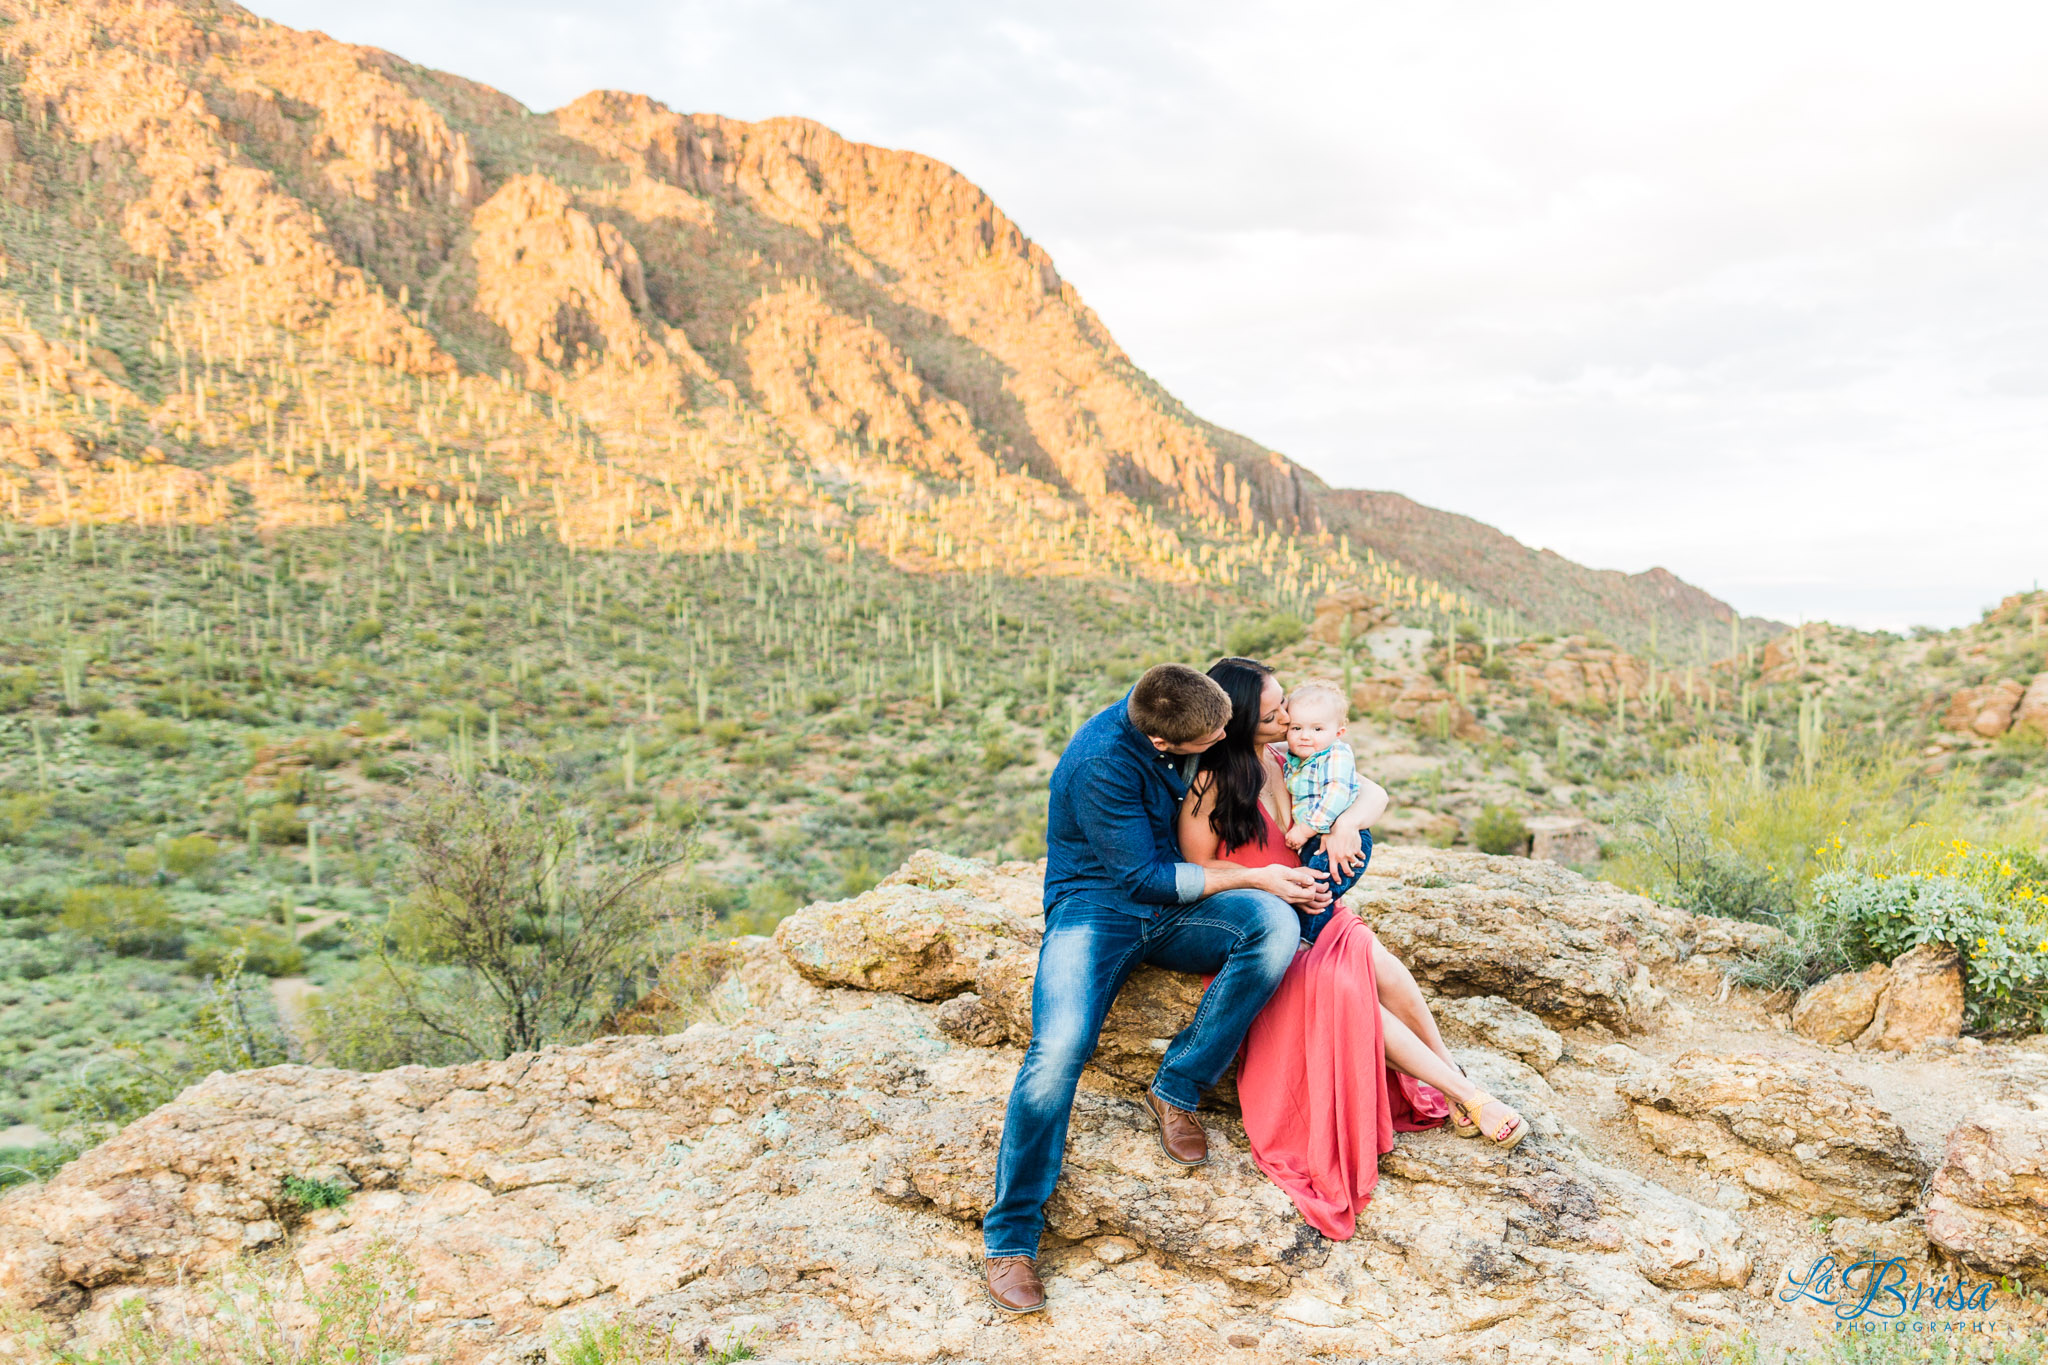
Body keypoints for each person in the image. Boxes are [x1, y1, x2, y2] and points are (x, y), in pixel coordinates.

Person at [980, 663, 1336, 1316]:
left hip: (1172, 897)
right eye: (1219, 732)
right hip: (1099, 905)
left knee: (1275, 930)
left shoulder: (1184, 705)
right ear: (1170, 745)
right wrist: (1252, 877)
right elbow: (1145, 880)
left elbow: (1302, 751)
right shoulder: (1100, 764)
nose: (1230, 734)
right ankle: (1010, 1238)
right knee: (1057, 1050)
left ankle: (1177, 1082)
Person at [1178, 657, 1526, 1242]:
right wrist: (1266, 881)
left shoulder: (1283, 756)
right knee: (1346, 988)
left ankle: (1452, 1080)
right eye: (1276, 711)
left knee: (1383, 966)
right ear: (1239, 719)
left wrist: (1344, 826)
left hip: (1312, 904)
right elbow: (1196, 869)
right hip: (1265, 922)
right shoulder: (1210, 781)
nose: (1291, 716)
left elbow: (1372, 790)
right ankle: (1470, 1096)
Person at [1278, 678, 1370, 903]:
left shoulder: (1335, 755)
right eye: (1296, 728)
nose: (1305, 736)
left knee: (1317, 891)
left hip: (1335, 835)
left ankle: (1308, 938)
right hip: (1317, 837)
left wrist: (1306, 829)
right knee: (1310, 889)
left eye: (1317, 729)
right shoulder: (1299, 757)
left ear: (1339, 732)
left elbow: (1337, 793)